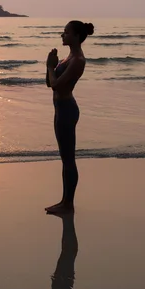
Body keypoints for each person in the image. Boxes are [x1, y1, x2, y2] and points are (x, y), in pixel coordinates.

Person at [45, 20, 94, 214]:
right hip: (59, 108)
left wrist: (51, 66)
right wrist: (49, 65)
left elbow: (58, 85)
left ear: (75, 36)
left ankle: (68, 203)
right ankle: (65, 201)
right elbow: (50, 83)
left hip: (67, 109)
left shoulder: (78, 60)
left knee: (68, 159)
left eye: (66, 32)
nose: (62, 35)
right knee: (65, 158)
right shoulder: (68, 58)